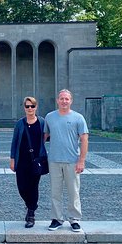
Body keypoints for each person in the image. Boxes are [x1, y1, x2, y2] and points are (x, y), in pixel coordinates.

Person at [43, 89, 89, 232]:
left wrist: (81, 160)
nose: (64, 101)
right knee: (55, 192)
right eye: (61, 99)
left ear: (71, 101)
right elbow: (43, 137)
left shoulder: (78, 118)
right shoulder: (50, 117)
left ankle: (74, 219)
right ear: (57, 100)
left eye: (67, 99)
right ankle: (56, 219)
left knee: (73, 192)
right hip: (54, 160)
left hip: (72, 161)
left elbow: (84, 139)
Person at [10, 96, 47, 228]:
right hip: (22, 161)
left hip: (36, 161)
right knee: (22, 187)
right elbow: (14, 142)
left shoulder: (42, 122)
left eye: (32, 106)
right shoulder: (20, 123)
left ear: (36, 107)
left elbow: (47, 137)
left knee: (33, 187)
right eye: (27, 106)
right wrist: (12, 159)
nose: (30, 108)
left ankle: (31, 214)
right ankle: (31, 205)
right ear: (24, 108)